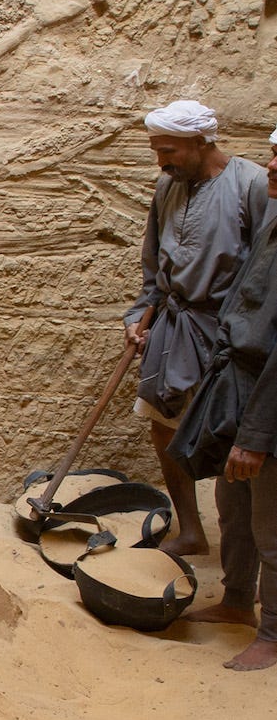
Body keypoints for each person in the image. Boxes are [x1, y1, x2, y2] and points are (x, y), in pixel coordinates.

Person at [126, 101, 271, 554]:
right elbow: (155, 264)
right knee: (162, 423)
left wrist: (242, 332)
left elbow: (264, 271)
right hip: (174, 324)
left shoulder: (252, 186)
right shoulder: (168, 184)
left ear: (200, 142)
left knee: (227, 435)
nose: (160, 161)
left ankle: (242, 569)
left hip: (229, 334)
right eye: (156, 151)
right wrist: (139, 314)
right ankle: (191, 531)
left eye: (167, 150)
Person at [182, 128, 277, 668]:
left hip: (268, 396)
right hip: (242, 383)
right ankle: (238, 600)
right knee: (232, 505)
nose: (272, 164)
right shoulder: (273, 221)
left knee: (271, 524)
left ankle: (274, 632)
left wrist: (258, 434)